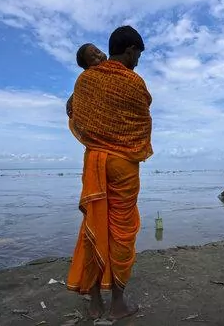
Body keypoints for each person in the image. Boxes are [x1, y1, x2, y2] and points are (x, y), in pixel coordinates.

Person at [66, 26, 153, 321]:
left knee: (94, 223)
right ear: (130, 50)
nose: (138, 60)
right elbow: (142, 118)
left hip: (95, 162)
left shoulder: (85, 80)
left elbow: (75, 114)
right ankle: (117, 303)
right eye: (138, 54)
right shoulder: (134, 82)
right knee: (122, 232)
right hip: (123, 165)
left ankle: (94, 303)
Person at [65, 43, 107, 118]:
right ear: (87, 68)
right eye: (93, 59)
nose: (99, 56)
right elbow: (83, 87)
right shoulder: (89, 79)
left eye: (98, 52)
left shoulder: (115, 64)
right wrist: (73, 97)